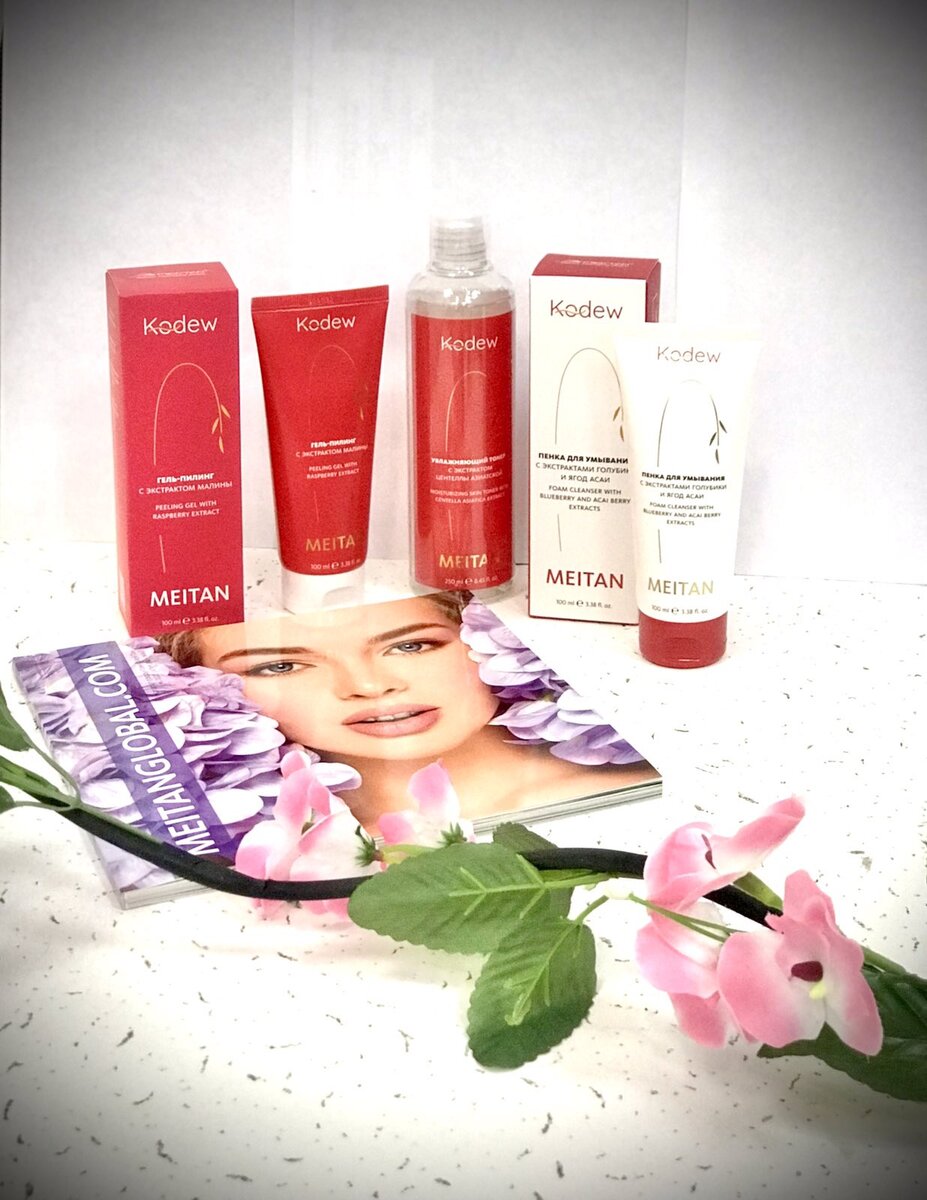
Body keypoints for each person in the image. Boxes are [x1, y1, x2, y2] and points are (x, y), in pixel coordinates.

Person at [159, 592, 656, 831]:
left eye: (412, 645)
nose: (370, 686)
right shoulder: (270, 853)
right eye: (281, 666)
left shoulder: (635, 784)